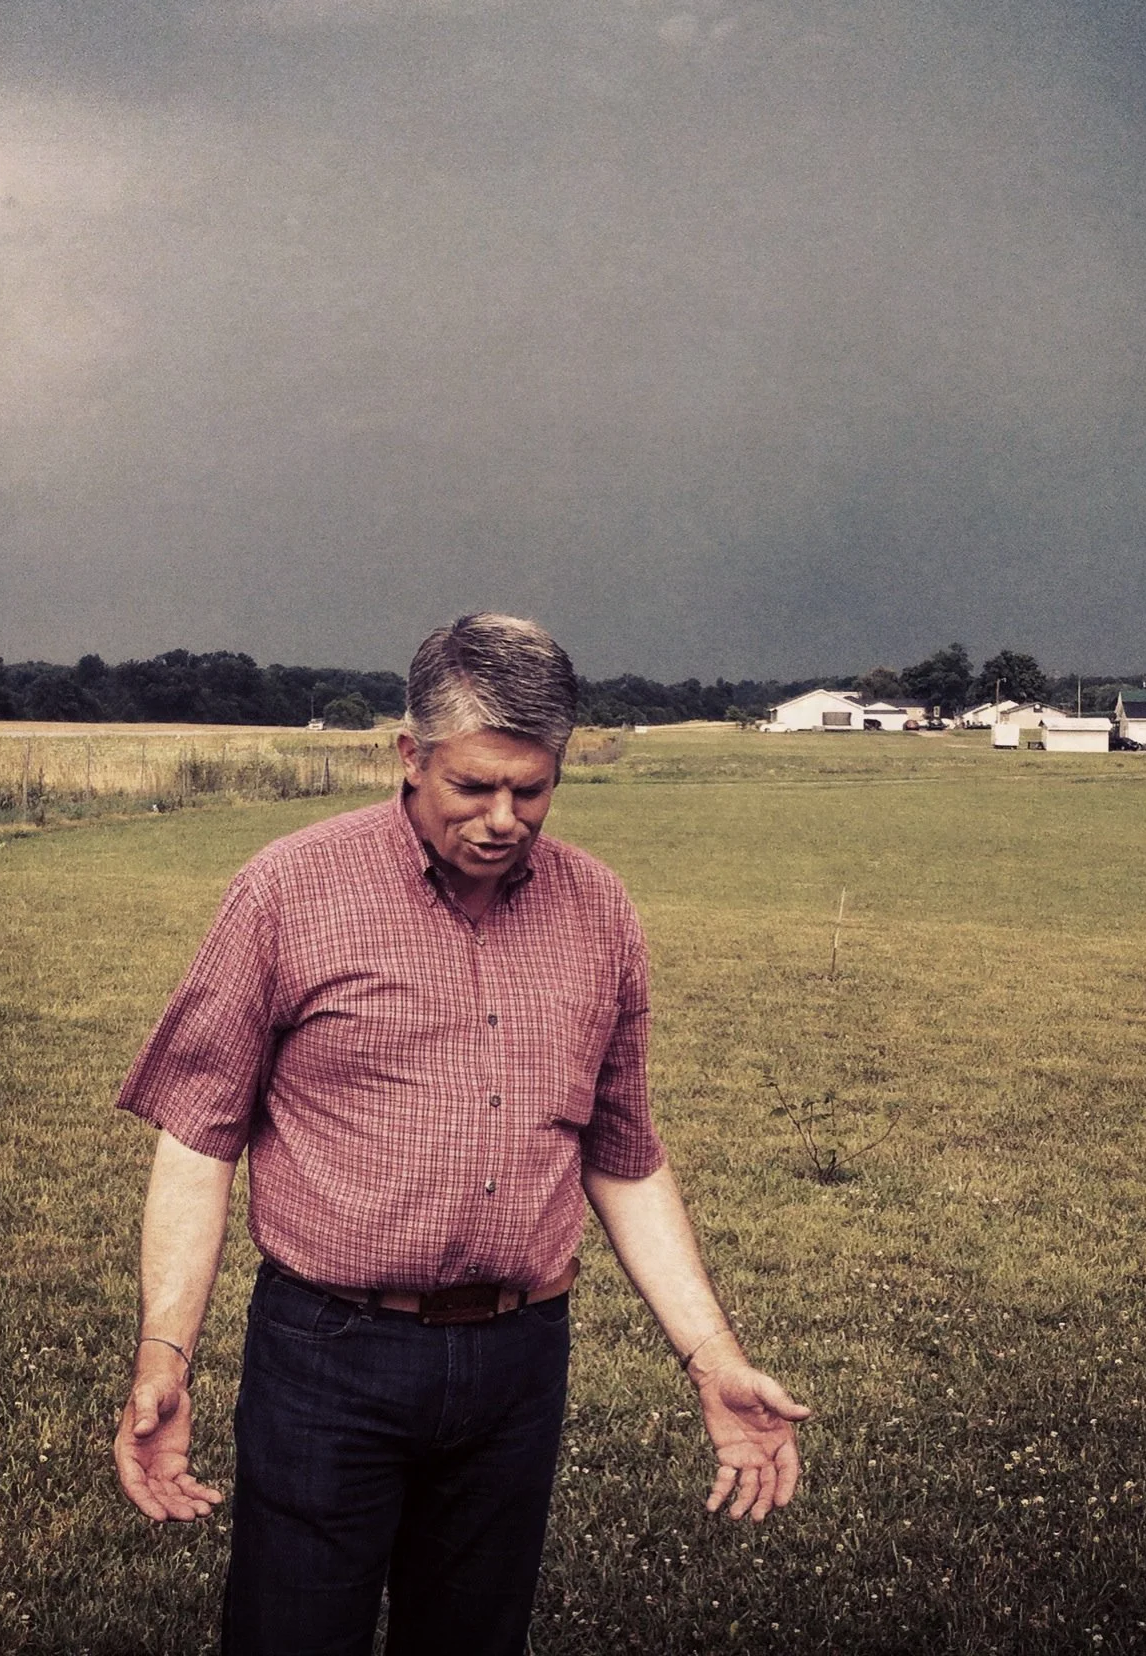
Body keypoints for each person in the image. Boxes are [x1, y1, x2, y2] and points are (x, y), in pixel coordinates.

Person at [112, 612, 810, 1655]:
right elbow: (199, 1136)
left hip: (517, 1361)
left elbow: (623, 1157)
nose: (503, 817)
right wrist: (166, 1350)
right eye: (473, 785)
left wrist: (712, 1358)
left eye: (531, 789)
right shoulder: (286, 889)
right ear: (409, 754)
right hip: (327, 1352)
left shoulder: (601, 910)